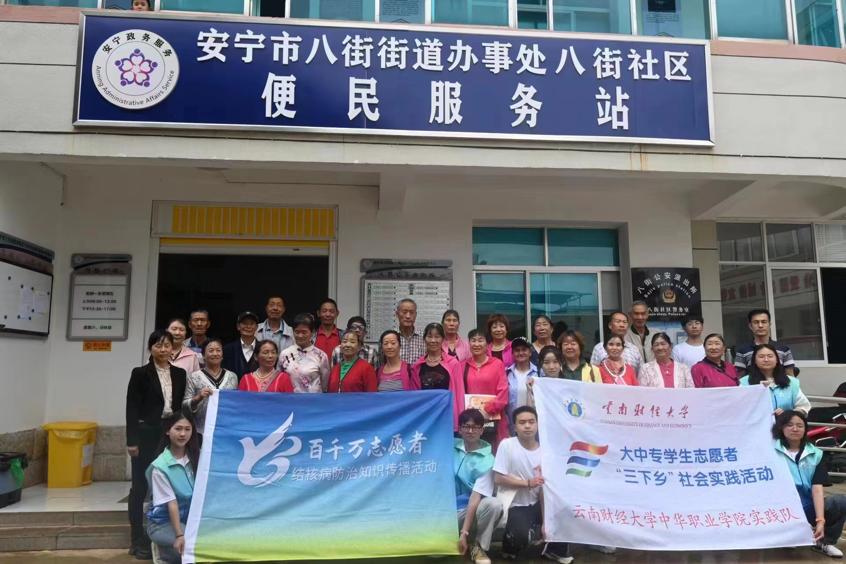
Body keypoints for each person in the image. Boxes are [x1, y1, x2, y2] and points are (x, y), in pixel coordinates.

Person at [125, 330, 187, 560]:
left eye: (167, 345)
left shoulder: (180, 373)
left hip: (169, 432)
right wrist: (132, 440)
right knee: (140, 486)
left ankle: (164, 532)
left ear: (173, 348)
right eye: (158, 345)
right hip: (146, 433)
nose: (163, 349)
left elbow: (180, 406)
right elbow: (132, 407)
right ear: (150, 348)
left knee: (167, 483)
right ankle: (136, 539)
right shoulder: (140, 373)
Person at [494, 406, 571, 563]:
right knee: (520, 538)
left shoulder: (546, 452)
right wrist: (527, 483)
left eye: (531, 422)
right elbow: (499, 478)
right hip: (514, 505)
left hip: (537, 503)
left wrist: (546, 521)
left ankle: (553, 550)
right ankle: (509, 544)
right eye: (522, 422)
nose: (527, 426)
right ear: (515, 426)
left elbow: (544, 490)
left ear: (537, 424)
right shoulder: (507, 445)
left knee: (564, 511)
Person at [773, 410, 846, 558]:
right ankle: (789, 535)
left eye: (800, 425)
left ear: (805, 429)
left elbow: (817, 488)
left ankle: (823, 541)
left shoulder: (815, 454)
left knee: (840, 502)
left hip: (806, 506)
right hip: (779, 508)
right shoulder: (770, 452)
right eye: (790, 425)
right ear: (781, 427)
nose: (795, 429)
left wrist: (820, 521)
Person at [145, 412, 199, 564]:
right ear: (168, 431)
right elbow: (172, 503)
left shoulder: (196, 457)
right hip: (164, 523)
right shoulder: (160, 467)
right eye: (178, 428)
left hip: (189, 520)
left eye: (187, 429)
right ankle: (163, 552)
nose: (183, 434)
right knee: (191, 545)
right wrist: (179, 535)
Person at [455, 408, 503, 564]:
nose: (470, 431)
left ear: (482, 430)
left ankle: (478, 546)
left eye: (475, 427)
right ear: (459, 429)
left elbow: (475, 497)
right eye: (466, 426)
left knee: (493, 504)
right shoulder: (449, 447)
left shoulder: (488, 460)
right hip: (442, 511)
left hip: (466, 511)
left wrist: (464, 532)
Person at [464, 328, 509, 448]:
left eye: (480, 340)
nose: (477, 344)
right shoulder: (462, 365)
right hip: (470, 420)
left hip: (493, 418)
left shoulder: (497, 364)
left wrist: (488, 409)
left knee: (493, 451)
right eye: (473, 340)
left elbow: (503, 392)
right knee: (473, 451)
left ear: (487, 344)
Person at [182, 339, 238, 436]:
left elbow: (235, 403)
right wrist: (198, 397)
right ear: (203, 355)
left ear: (222, 354)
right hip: (201, 430)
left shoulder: (232, 376)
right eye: (211, 350)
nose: (215, 354)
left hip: (226, 430)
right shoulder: (194, 377)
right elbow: (184, 406)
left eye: (218, 350)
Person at [741, 343, 810, 415]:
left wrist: (787, 414)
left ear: (777, 360)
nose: (766, 360)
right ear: (754, 361)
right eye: (761, 357)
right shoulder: (744, 383)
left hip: (785, 421)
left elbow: (804, 407)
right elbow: (741, 408)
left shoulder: (791, 382)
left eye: (770, 356)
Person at [734, 308, 796, 377]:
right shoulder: (742, 351)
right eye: (756, 322)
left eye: (764, 322)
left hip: (779, 384)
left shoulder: (783, 349)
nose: (760, 325)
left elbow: (790, 376)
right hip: (752, 384)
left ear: (769, 324)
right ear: (750, 326)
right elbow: (740, 378)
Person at [279, 313, 330, 393]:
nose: (300, 335)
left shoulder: (321, 356)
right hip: (290, 399)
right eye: (297, 332)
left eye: (304, 332)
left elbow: (325, 384)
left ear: (312, 332)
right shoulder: (285, 354)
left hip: (314, 399)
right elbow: (279, 380)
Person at [505, 337, 537, 434]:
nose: (520, 353)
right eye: (517, 350)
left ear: (530, 352)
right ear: (512, 354)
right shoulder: (506, 373)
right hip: (511, 425)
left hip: (533, 425)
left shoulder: (539, 373)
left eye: (524, 350)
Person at [222, 311, 260, 379]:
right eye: (245, 323)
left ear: (257, 327)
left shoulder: (262, 348)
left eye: (252, 323)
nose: (248, 326)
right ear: (238, 326)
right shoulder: (227, 349)